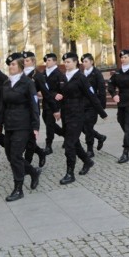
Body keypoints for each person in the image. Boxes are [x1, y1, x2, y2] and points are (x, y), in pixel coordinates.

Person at [0, 54, 41, 202]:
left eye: (13, 64)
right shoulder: (6, 83)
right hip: (9, 124)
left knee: (15, 155)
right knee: (10, 156)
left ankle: (18, 188)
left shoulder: (27, 83)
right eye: (10, 65)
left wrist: (35, 126)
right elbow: (2, 106)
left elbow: (34, 105)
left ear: (20, 66)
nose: (10, 67)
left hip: (23, 125)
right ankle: (33, 171)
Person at [53, 53, 100, 184]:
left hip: (78, 114)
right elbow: (55, 91)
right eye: (65, 62)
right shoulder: (63, 77)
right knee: (74, 142)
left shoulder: (80, 77)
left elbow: (91, 95)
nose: (66, 64)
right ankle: (87, 161)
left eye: (68, 62)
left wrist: (102, 112)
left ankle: (70, 173)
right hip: (66, 114)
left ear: (75, 63)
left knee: (69, 145)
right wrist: (56, 101)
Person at [81, 53, 108, 157]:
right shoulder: (81, 74)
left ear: (92, 62)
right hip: (82, 104)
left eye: (86, 61)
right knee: (82, 127)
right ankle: (99, 137)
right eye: (83, 62)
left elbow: (102, 90)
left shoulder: (96, 73)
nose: (84, 64)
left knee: (88, 126)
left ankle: (90, 149)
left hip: (93, 105)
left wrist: (101, 107)